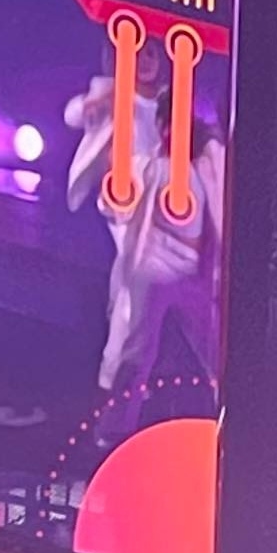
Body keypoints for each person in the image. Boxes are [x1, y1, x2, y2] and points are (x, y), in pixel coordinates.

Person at [64, 38, 224, 392]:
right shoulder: (113, 93)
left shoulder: (173, 99)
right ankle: (115, 390)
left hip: (166, 203)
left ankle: (215, 389)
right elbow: (74, 114)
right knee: (131, 295)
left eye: (152, 52)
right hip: (127, 204)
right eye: (139, 53)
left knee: (192, 314)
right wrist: (99, 103)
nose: (146, 60)